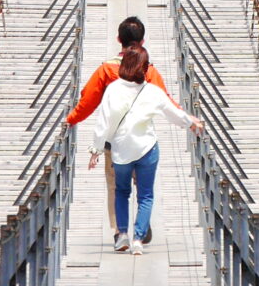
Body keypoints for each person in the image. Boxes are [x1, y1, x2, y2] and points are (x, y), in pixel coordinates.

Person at [80, 44, 201, 254]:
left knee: (122, 192)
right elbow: (172, 113)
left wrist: (96, 151)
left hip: (121, 151)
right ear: (144, 68)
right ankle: (138, 239)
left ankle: (122, 236)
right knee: (145, 195)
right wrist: (190, 122)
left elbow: (103, 123)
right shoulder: (152, 91)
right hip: (146, 149)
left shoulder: (112, 90)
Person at [67, 16, 177, 237]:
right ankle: (142, 226)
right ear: (143, 41)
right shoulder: (150, 71)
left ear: (118, 39)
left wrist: (71, 119)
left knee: (117, 186)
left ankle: (120, 231)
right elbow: (165, 100)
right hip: (143, 139)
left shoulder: (106, 70)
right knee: (144, 189)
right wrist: (186, 118)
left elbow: (88, 100)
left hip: (114, 141)